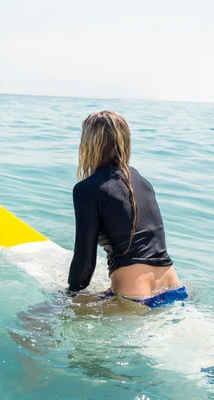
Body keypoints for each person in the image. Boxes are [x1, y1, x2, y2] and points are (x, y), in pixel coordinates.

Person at [66, 111, 187, 309]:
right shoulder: (142, 181)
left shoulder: (87, 189)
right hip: (174, 290)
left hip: (133, 300)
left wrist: (69, 296)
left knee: (31, 319)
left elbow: (84, 262)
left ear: (87, 145)